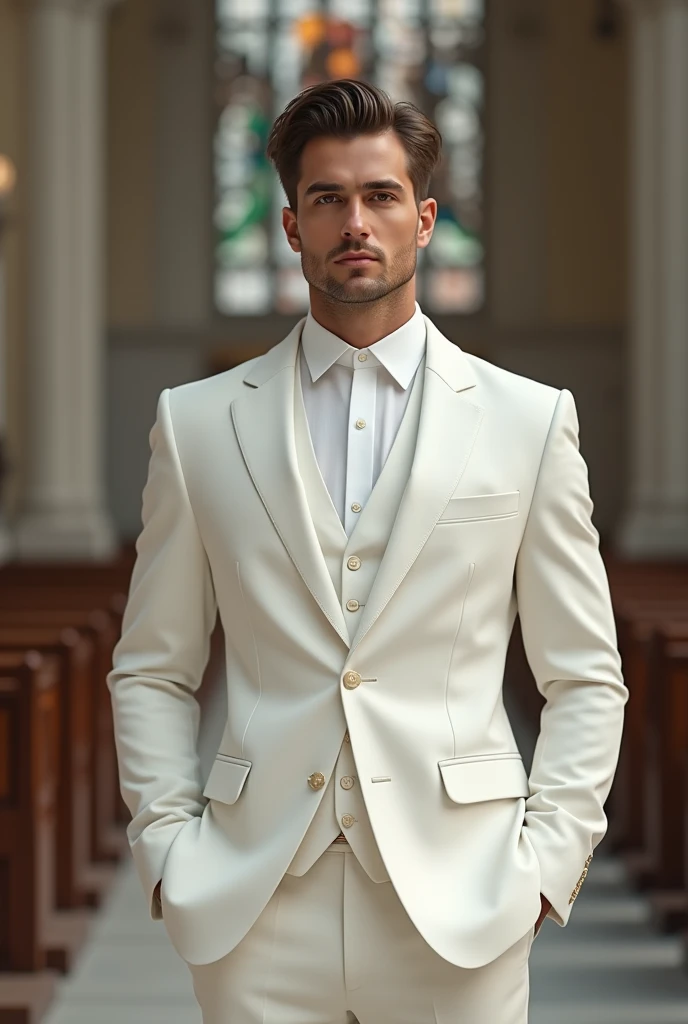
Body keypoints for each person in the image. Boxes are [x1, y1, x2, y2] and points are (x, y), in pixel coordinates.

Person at [107, 79, 627, 1024]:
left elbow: (585, 676)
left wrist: (547, 869)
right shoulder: (195, 425)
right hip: (253, 902)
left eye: (382, 196)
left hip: (463, 903)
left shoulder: (528, 421)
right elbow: (151, 667)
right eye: (328, 199)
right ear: (290, 226)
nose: (357, 221)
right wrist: (168, 850)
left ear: (425, 219)